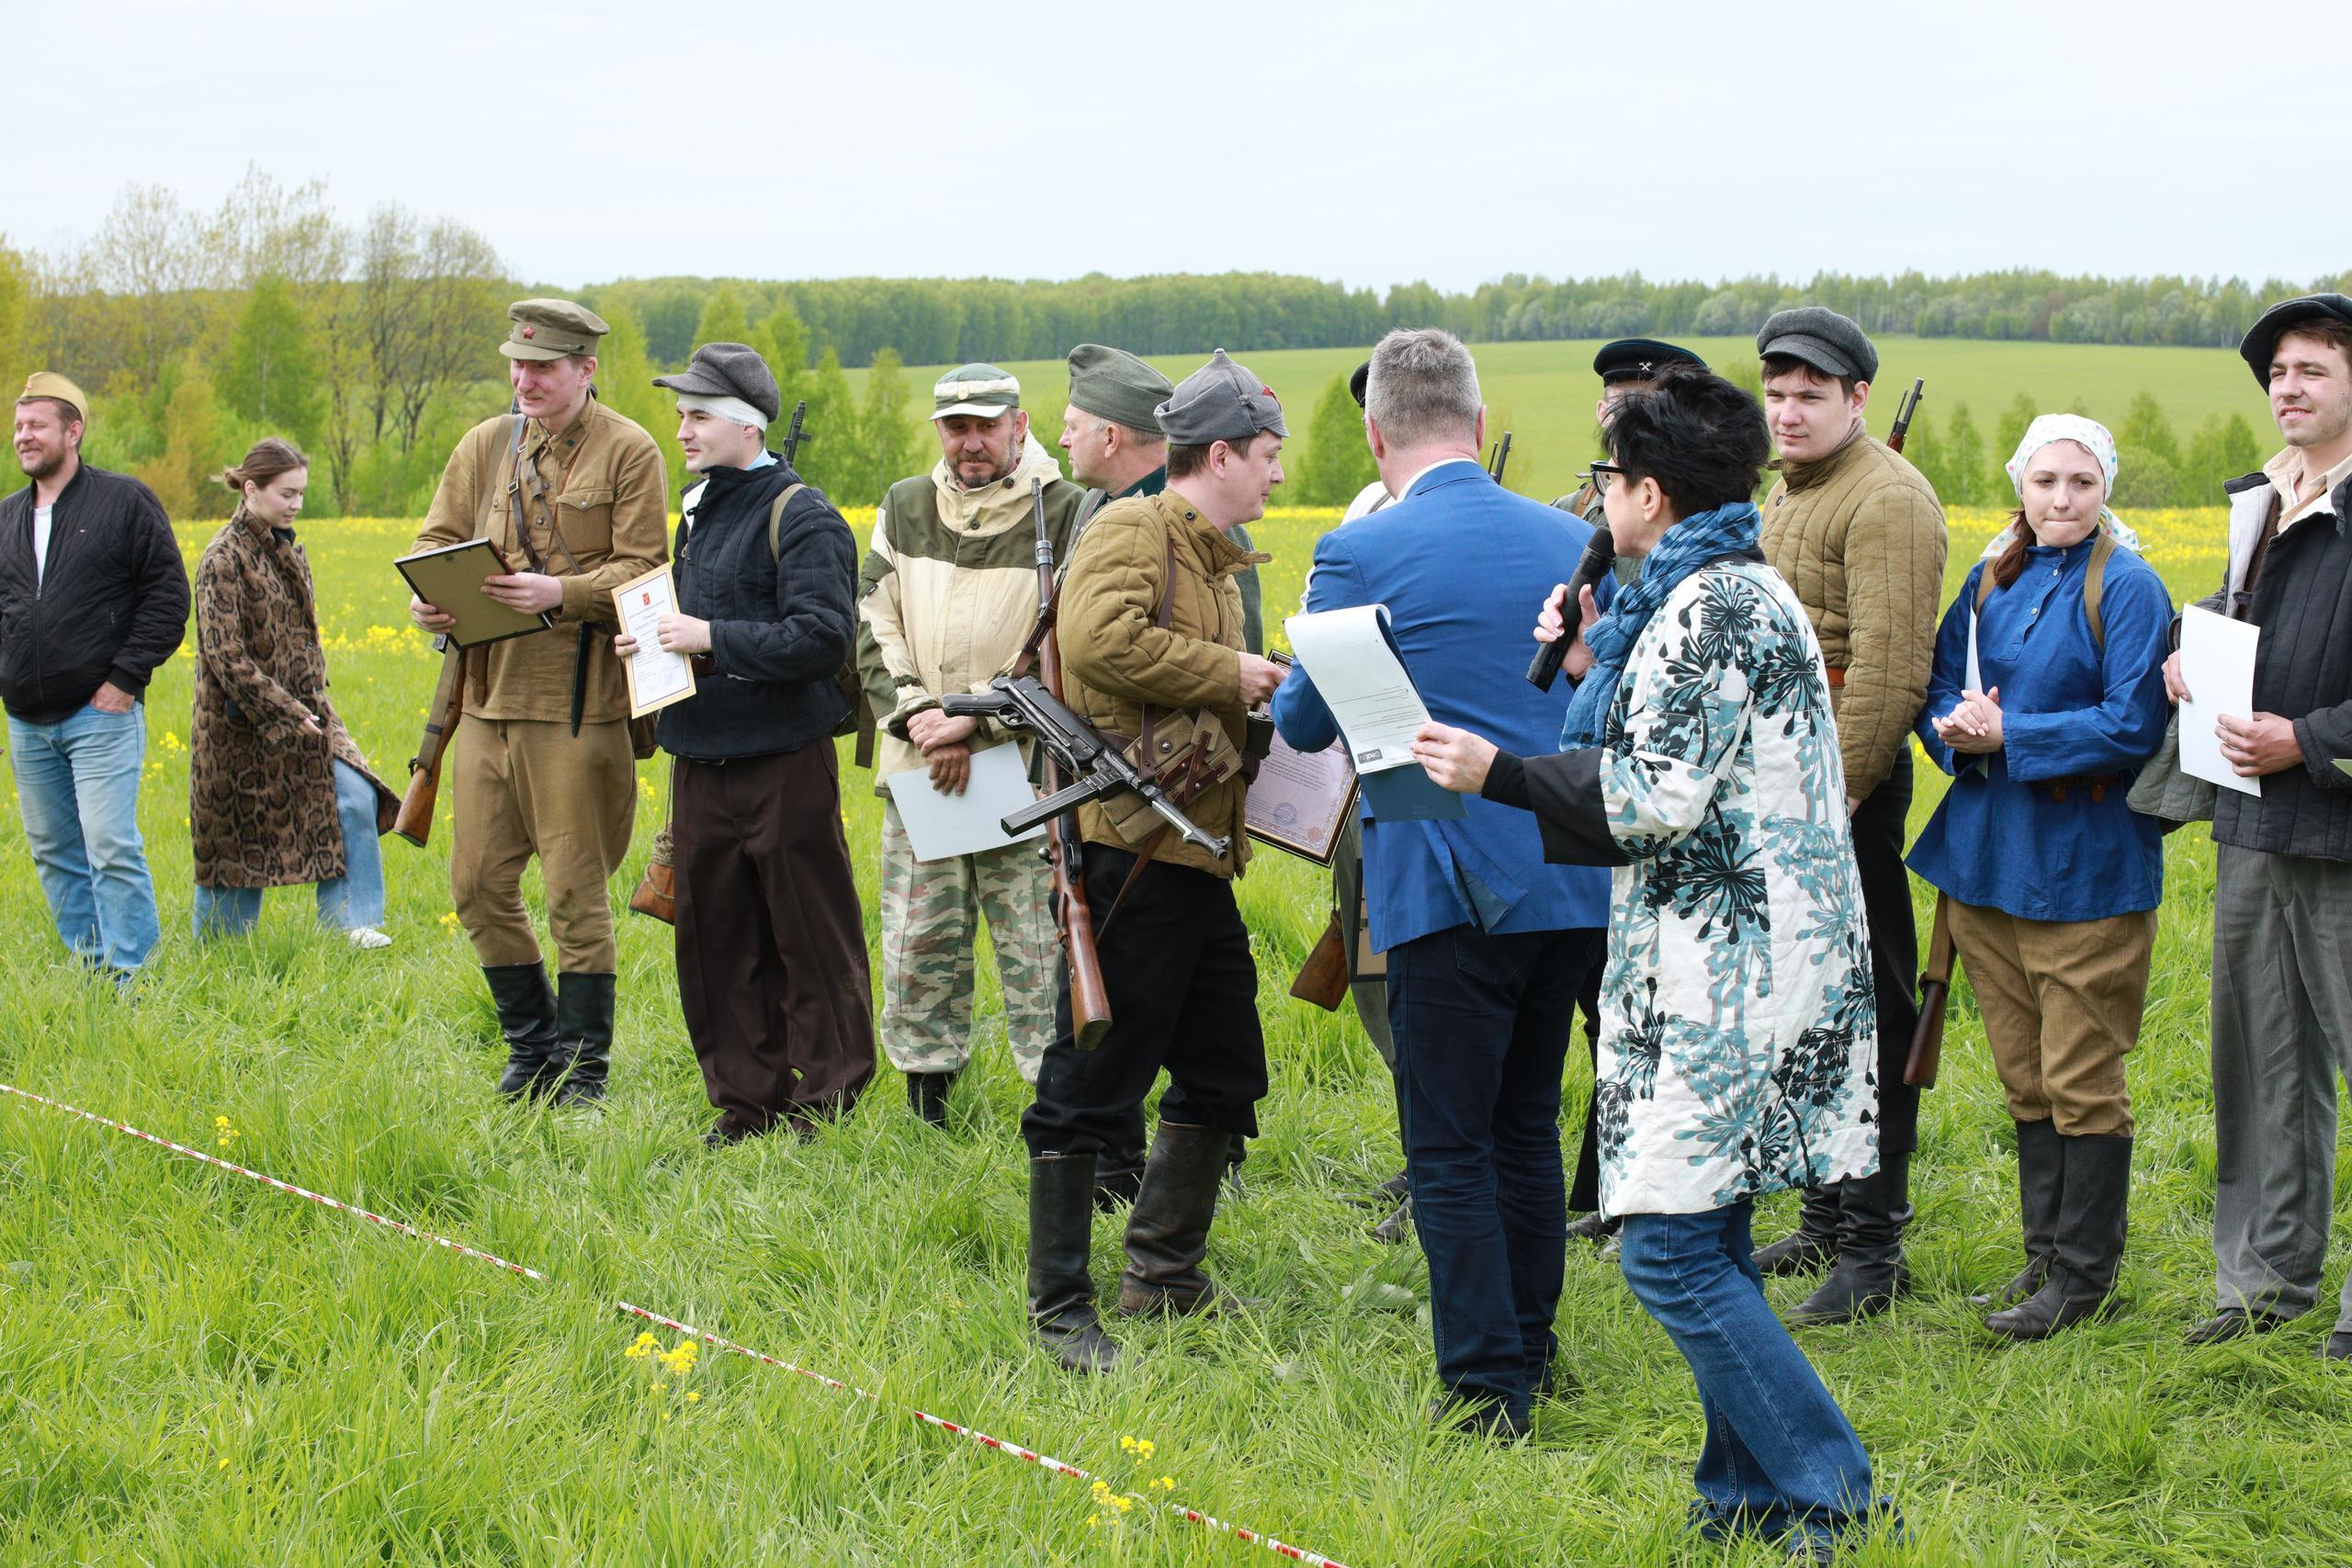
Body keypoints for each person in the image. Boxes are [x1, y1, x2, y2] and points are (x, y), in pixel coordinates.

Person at [1413, 367, 1894, 1555]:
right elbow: (1682, 743)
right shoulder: (1707, 589)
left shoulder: (1712, 606)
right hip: (1725, 955)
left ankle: (1833, 1489)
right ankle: (1744, 1499)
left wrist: (1501, 771)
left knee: (1670, 1252)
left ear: (1646, 492)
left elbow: (1654, 794)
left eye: (1604, 482)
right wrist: (1590, 663)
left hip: (1734, 972)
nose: (1595, 502)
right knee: (1714, 1232)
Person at [1273, 329, 1610, 1438]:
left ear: (1375, 435)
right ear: (1477, 420)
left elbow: (1304, 719)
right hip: (1569, 874)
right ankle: (1538, 1349)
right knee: (1525, 1126)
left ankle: (1484, 1389)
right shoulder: (1574, 538)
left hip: (1444, 876)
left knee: (1449, 1145)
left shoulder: (1359, 551)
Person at [1020, 349, 1286, 1374]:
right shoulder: (1134, 527)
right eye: (1263, 456)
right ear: (1216, 453)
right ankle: (1059, 1310)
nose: (1272, 474)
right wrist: (1233, 672)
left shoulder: (1207, 550)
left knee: (1225, 1069)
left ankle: (1163, 1278)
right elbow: (1096, 645)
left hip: (1195, 853)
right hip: (1133, 849)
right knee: (1093, 1080)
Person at [1908, 416, 2170, 1339]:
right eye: (2045, 482)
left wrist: (2009, 734)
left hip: (2086, 868)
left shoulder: (2129, 585)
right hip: (1984, 867)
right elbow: (1939, 683)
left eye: (2081, 483)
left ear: (2104, 489)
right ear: (2021, 484)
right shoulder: (1989, 576)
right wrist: (1951, 724)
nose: (2060, 500)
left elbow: (2131, 723)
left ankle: (2084, 1280)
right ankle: (2042, 1261)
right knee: (2024, 1078)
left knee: (2080, 1078)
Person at [408, 299, 667, 1106]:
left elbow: (646, 570)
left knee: (572, 893)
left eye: (544, 367)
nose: (525, 380)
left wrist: (562, 589)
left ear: (586, 369)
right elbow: (434, 540)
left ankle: (583, 1074)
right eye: (517, 365)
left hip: (577, 705)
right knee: (477, 885)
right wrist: (428, 598)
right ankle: (533, 1047)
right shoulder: (487, 444)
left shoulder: (630, 450)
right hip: (482, 700)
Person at [616, 342, 871, 1144]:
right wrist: (652, 647)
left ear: (747, 425)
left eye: (698, 416)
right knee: (715, 941)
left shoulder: (804, 515)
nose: (682, 430)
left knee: (808, 934)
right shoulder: (698, 512)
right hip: (699, 758)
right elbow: (688, 628)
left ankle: (827, 1103)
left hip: (783, 762)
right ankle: (745, 1105)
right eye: (682, 414)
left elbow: (824, 639)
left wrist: (707, 636)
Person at [1747, 307, 1947, 1324]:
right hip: (1779, 786)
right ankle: (1824, 1213)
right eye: (1776, 395)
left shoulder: (1888, 499)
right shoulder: (1787, 492)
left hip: (1840, 792)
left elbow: (1889, 667)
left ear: (1857, 398)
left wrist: (1843, 794)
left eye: (1809, 396)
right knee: (1804, 1009)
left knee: (1866, 1008)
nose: (1787, 412)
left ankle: (1873, 1247)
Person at [2169, 293, 2352, 1362]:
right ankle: (2266, 1282)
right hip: (2251, 827)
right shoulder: (2265, 504)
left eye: (2313, 368)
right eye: (2277, 372)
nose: (2288, 387)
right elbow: (2249, 628)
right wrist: (2193, 657)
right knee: (2263, 1064)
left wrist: (2311, 742)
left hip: (2338, 826)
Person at [857, 364, 1084, 1125]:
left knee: (1036, 949)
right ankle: (928, 1120)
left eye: (988, 425)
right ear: (939, 432)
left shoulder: (1068, 510)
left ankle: (1053, 1121)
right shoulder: (904, 505)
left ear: (1020, 425)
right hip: (921, 766)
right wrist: (922, 715)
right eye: (957, 427)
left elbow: (1061, 643)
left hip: (1023, 775)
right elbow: (872, 619)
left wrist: (976, 719)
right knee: (921, 946)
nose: (972, 442)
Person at [1552, 337, 1704, 1248]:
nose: (1619, 413)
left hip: (1661, 795)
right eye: (1613, 400)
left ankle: (1650, 1198)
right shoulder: (1591, 510)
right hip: (1606, 771)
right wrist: (1582, 654)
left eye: (1639, 398)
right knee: (1605, 1005)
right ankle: (1605, 1186)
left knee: (1651, 1011)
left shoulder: (1692, 532)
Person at [1, 373, 188, 984]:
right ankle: (89, 968)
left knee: (109, 845)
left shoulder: (124, 501)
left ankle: (133, 974)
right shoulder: (6, 516)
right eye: (19, 425)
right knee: (55, 851)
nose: (23, 436)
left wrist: (126, 677)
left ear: (73, 430)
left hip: (100, 713)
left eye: (37, 425)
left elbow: (167, 596)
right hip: (28, 719)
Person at [190, 439, 397, 948]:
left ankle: (351, 925)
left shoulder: (288, 549)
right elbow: (224, 655)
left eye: (301, 493)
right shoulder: (222, 558)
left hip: (308, 715)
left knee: (353, 797)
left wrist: (307, 706)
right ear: (251, 489)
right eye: (287, 494)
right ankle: (221, 954)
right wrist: (284, 710)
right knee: (236, 845)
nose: (297, 504)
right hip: (237, 730)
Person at [1552, 338, 1710, 524]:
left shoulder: (1703, 510)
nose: (1637, 419)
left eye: (1653, 406)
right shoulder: (1569, 514)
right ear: (1602, 412)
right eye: (1623, 404)